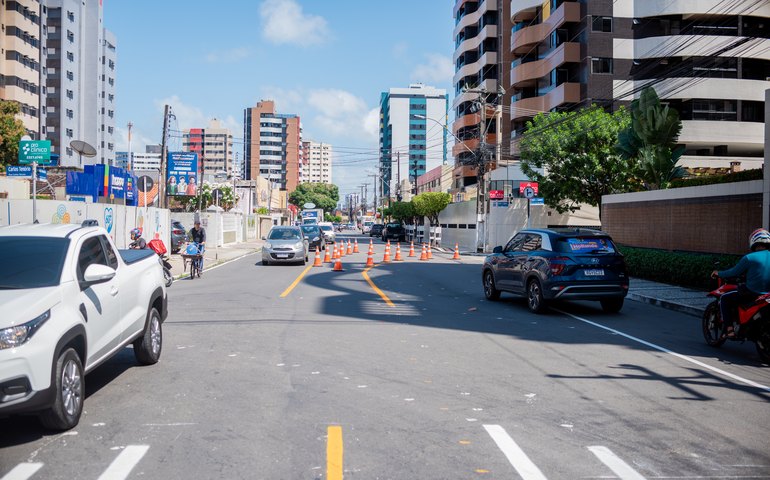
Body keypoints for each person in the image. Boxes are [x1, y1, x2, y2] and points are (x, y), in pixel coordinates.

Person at [711, 228, 770, 338]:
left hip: (752, 293)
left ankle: (729, 330)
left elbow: (733, 272)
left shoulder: (749, 258)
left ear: (753, 241)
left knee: (724, 298)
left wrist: (719, 273)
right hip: (767, 295)